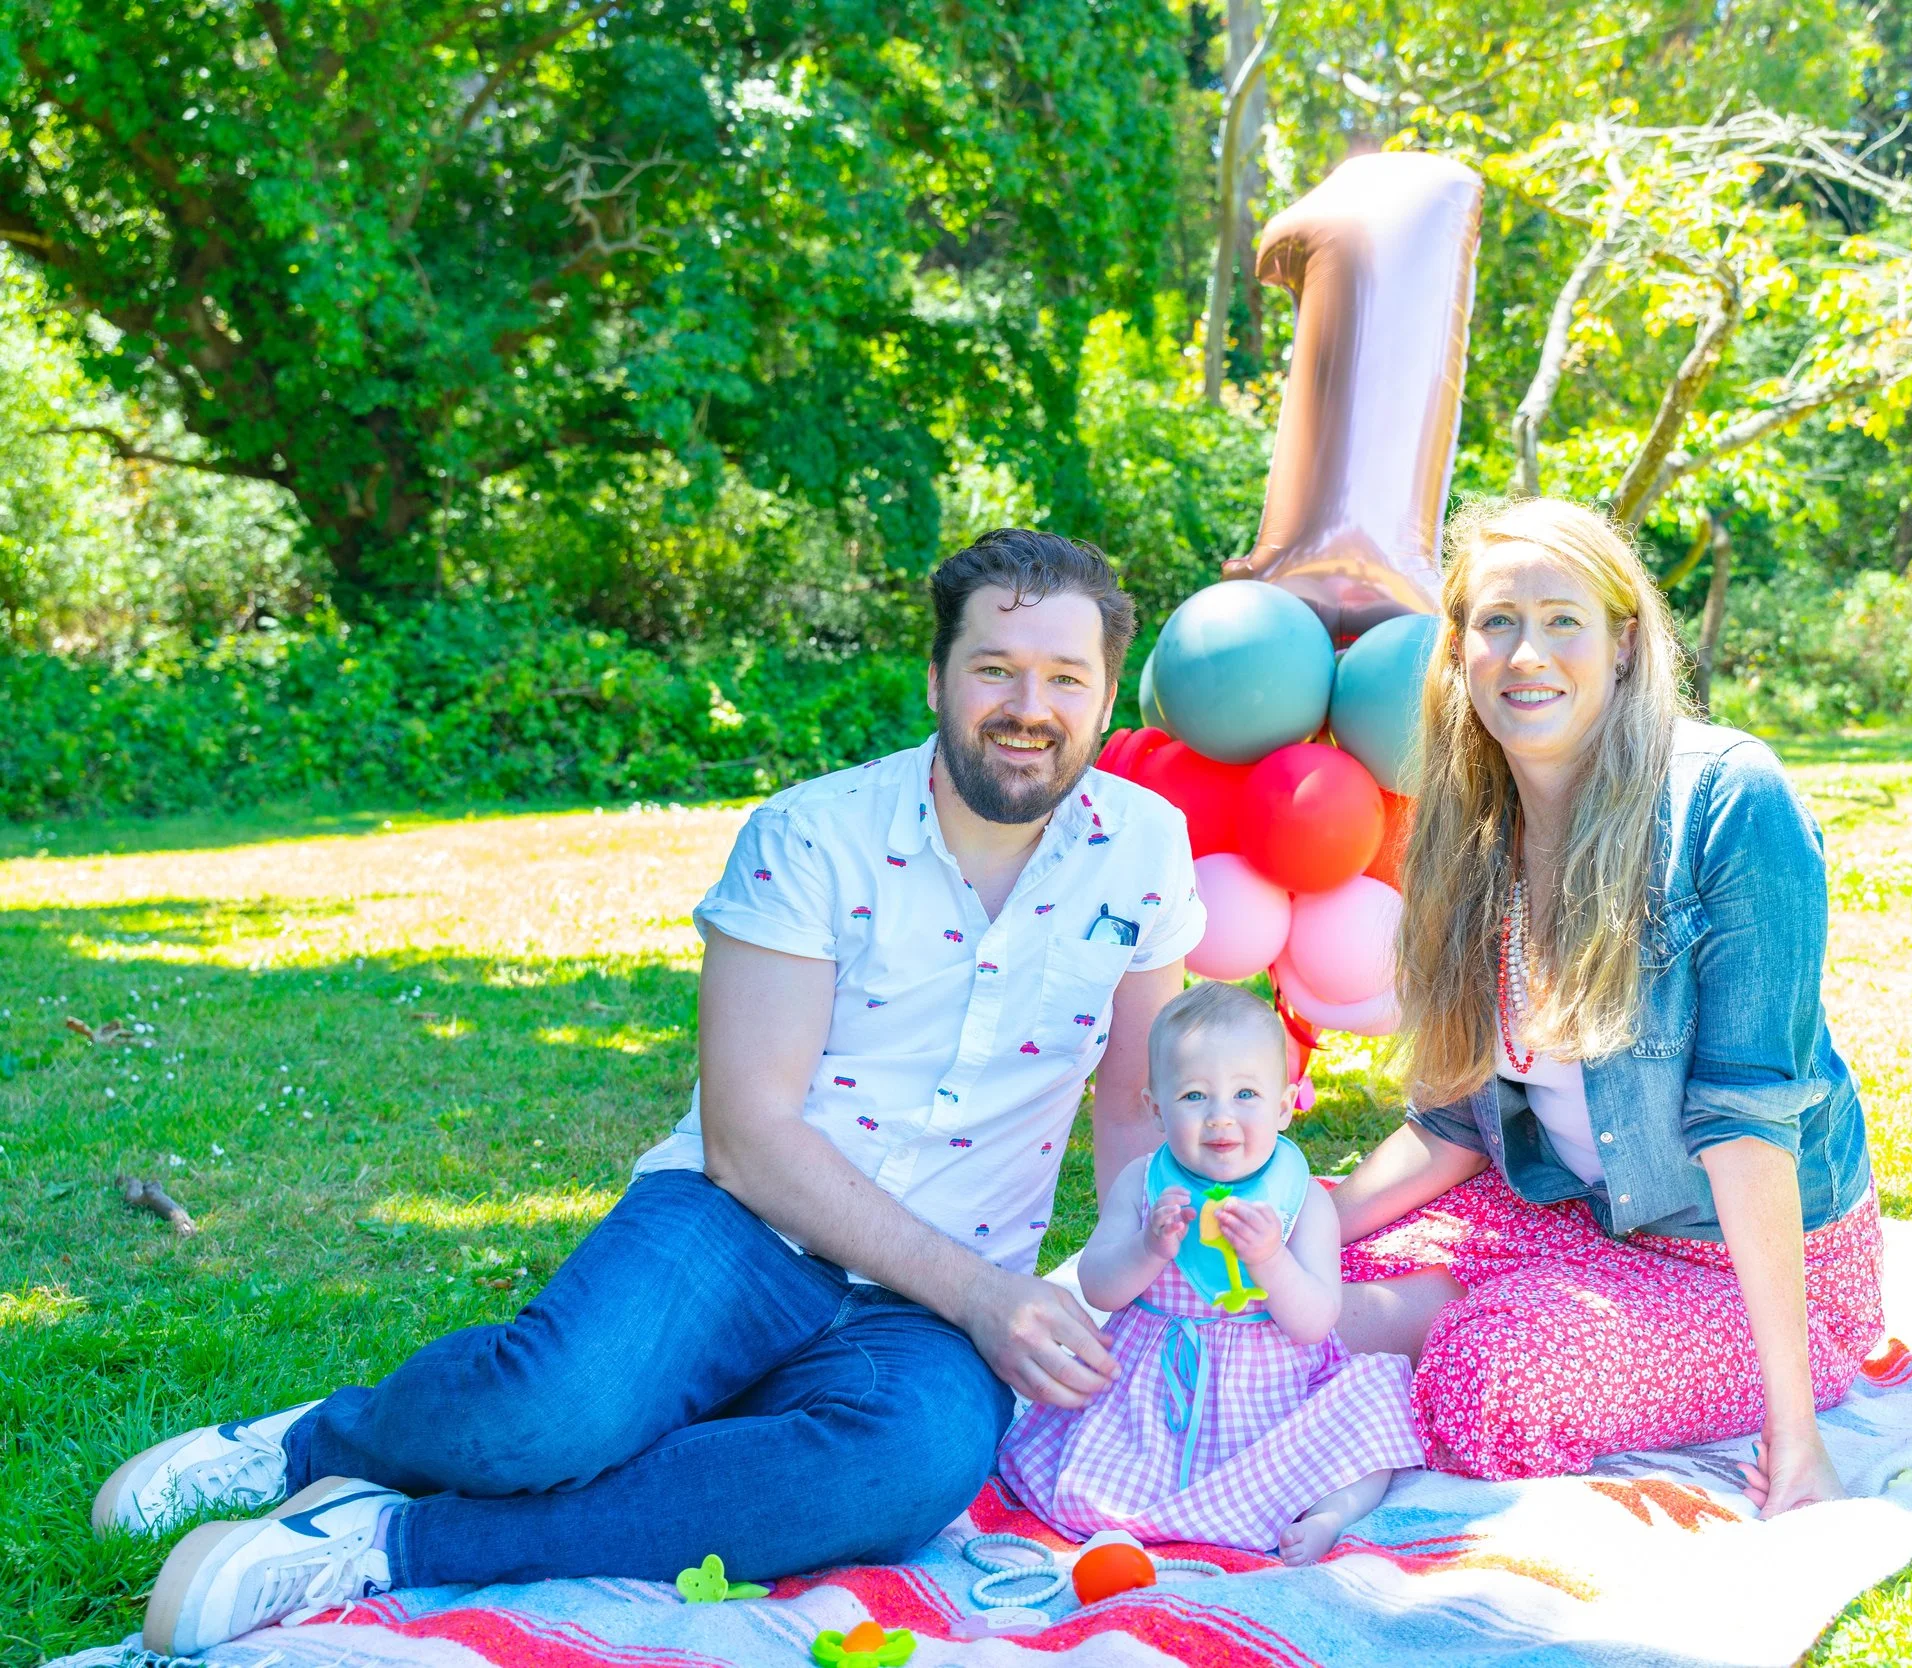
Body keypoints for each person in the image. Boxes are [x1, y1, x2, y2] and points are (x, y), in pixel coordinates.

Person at [100, 529, 1206, 1655]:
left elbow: (1130, 1105)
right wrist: (982, 1296)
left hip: (924, 1304)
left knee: (907, 1474)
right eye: (995, 668)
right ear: (936, 679)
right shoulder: (810, 836)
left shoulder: (1146, 851)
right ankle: (318, 1447)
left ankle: (383, 1544)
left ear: (1107, 697)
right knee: (547, 1417)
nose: (1030, 705)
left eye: (1065, 677)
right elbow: (749, 1136)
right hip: (740, 1225)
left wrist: (1137, 1277)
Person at [1327, 497, 1884, 1517]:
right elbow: (1455, 1123)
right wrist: (1315, 1226)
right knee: (1288, 1287)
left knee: (1494, 1383)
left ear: (1624, 645)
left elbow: (1749, 1120)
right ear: (1458, 651)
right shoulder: (1468, 828)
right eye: (1495, 622)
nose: (1525, 652)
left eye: (1561, 620)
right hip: (1562, 1215)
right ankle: (1476, 1310)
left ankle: (1480, 1336)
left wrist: (1793, 1432)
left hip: (1736, 1262)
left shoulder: (1726, 799)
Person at [998, 981, 1424, 1565]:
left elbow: (1315, 1322)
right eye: (1195, 1096)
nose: (1221, 1117)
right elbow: (1098, 1285)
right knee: (1100, 1470)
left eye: (1246, 1094)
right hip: (1154, 1390)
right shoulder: (1145, 1184)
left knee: (1376, 1406)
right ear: (1155, 1106)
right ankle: (1153, 1508)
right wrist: (1149, 1248)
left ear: (1282, 1105)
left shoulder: (1302, 1199)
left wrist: (1270, 1260)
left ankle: (1331, 1513)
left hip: (1272, 1400)